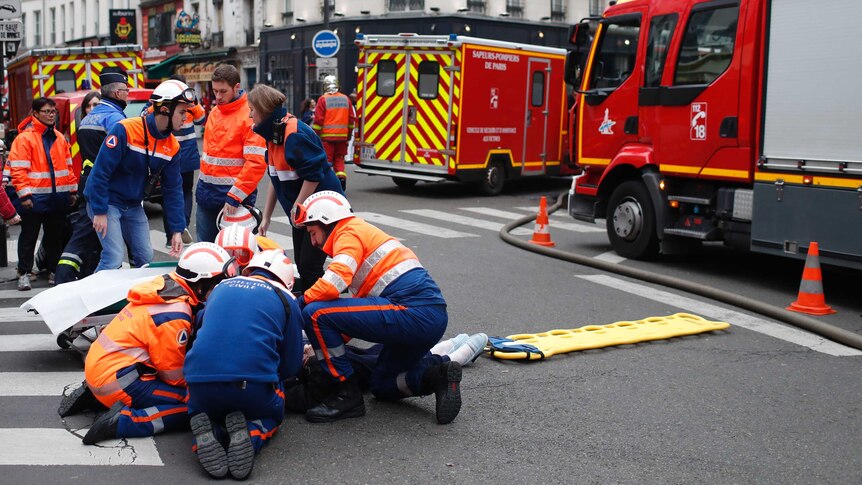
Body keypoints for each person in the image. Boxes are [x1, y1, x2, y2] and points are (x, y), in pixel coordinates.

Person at [294, 191, 462, 424]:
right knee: (382, 385)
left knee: (315, 313)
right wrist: (316, 344)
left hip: (411, 312)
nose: (313, 242)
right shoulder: (363, 235)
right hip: (430, 318)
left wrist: (298, 302)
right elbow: (349, 320)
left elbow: (334, 283)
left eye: (313, 233)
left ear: (326, 220)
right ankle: (437, 376)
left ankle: (346, 395)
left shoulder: (348, 232)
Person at [64, 243, 238, 445]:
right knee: (195, 403)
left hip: (102, 366)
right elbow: (172, 375)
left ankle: (96, 397)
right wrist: (205, 384)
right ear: (200, 284)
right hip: (119, 381)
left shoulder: (165, 286)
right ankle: (124, 422)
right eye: (218, 283)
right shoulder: (175, 314)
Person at [184, 249, 303, 479]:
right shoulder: (287, 299)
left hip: (199, 384)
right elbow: (290, 365)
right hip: (249, 387)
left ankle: (208, 434)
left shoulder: (221, 287)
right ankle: (251, 433)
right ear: (287, 281)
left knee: (206, 407)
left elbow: (200, 329)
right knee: (274, 411)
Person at [84, 79, 193, 271]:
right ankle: (96, 298)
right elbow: (100, 172)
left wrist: (176, 230)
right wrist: (99, 210)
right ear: (165, 109)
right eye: (182, 112)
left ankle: (137, 299)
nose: (186, 118)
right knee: (113, 257)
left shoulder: (172, 146)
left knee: (145, 257)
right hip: (107, 202)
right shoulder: (125, 129)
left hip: (133, 205)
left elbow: (173, 190)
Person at [248, 84, 344, 292]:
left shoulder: (293, 134)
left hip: (322, 211)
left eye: (252, 110)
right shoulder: (273, 134)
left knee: (310, 266)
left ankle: (320, 310)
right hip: (303, 212)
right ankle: (315, 304)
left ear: (263, 110)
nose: (250, 115)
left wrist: (296, 206)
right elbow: (276, 178)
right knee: (302, 264)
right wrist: (267, 216)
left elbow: (314, 175)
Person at [55, 73, 130, 285]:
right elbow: (119, 157)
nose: (128, 95)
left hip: (88, 181)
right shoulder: (116, 120)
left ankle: (70, 277)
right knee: (96, 239)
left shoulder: (88, 119)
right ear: (117, 92)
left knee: (91, 237)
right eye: (126, 91)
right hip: (105, 185)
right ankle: (71, 281)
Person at [8, 98, 78, 290]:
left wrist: (72, 190)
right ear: (35, 113)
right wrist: (25, 196)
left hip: (57, 198)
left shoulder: (59, 138)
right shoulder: (24, 139)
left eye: (53, 111)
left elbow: (68, 167)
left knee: (54, 238)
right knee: (29, 237)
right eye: (46, 111)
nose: (50, 114)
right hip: (34, 199)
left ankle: (54, 271)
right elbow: (18, 170)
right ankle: (24, 273)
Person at [195, 64, 267, 243]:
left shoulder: (249, 115)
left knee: (235, 254)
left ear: (236, 87)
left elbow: (256, 163)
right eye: (215, 91)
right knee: (206, 252)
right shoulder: (214, 112)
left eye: (222, 91)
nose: (218, 97)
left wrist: (235, 197)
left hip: (235, 200)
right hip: (207, 195)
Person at [160, 73, 204, 247]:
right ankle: (182, 225)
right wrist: (194, 103)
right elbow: (201, 119)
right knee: (185, 191)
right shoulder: (190, 103)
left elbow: (147, 114)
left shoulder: (163, 100)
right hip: (187, 155)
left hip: (167, 154)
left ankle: (170, 234)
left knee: (169, 192)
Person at [312, 75, 355, 190]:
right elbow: (351, 120)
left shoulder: (323, 99)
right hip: (342, 137)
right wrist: (349, 134)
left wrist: (315, 135)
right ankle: (341, 179)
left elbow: (318, 120)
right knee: (339, 159)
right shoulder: (346, 99)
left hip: (327, 138)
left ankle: (328, 184)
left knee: (327, 161)